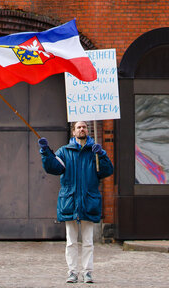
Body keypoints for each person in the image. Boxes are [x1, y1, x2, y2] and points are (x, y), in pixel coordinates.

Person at [38, 121, 114, 284]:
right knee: (71, 242)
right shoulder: (64, 152)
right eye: (78, 127)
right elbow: (53, 168)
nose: (82, 129)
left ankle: (87, 272)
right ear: (73, 132)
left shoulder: (95, 152)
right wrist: (45, 152)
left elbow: (107, 170)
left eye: (84, 127)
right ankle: (72, 272)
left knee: (88, 242)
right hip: (70, 201)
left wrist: (101, 154)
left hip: (89, 200)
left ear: (88, 131)